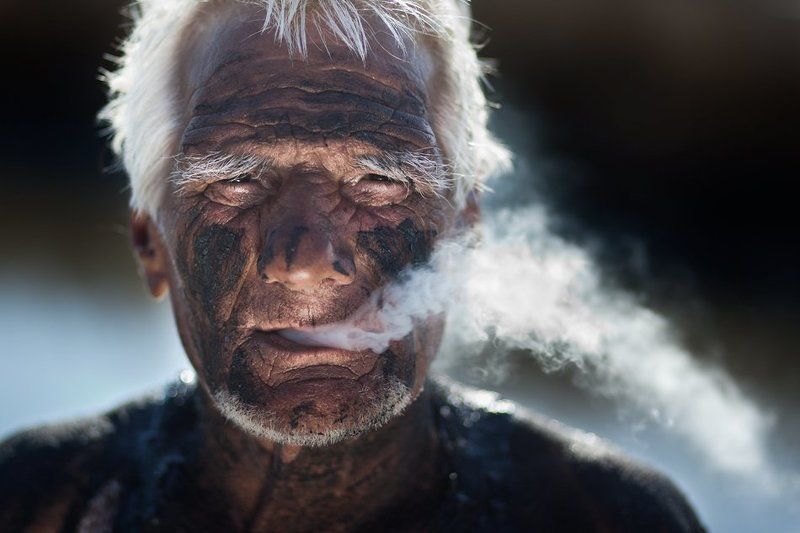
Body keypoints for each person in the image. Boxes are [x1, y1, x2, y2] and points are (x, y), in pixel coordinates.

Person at [0, 1, 706, 530]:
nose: (307, 262)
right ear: (150, 242)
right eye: (236, 181)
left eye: (379, 181)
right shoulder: (38, 501)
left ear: (462, 234)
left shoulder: (599, 517)